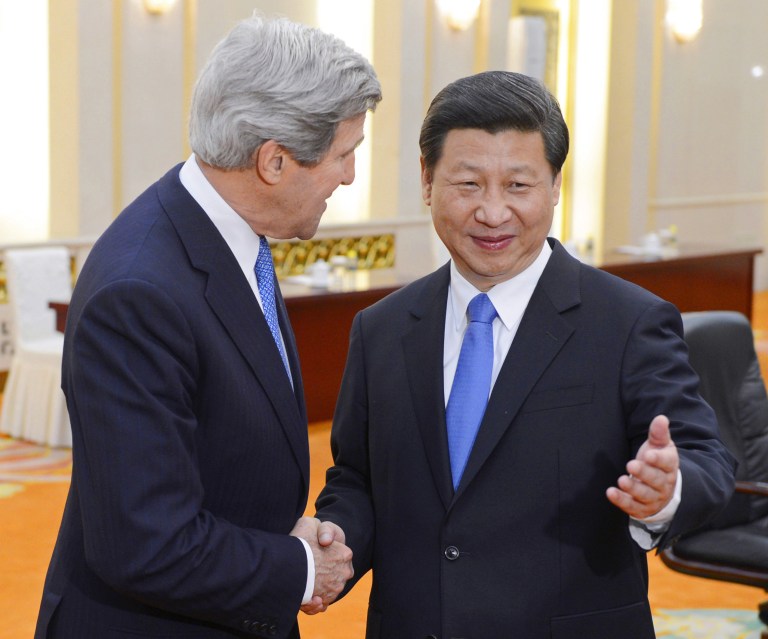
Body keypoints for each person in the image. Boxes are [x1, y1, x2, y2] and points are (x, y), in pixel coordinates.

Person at [313, 71, 735, 639]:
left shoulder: (628, 321)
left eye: (518, 186)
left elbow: (707, 458)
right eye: (468, 184)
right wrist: (335, 543)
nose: (492, 213)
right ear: (427, 181)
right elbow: (358, 477)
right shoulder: (381, 329)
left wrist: (666, 492)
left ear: (555, 185)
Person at [34, 13, 381, 639]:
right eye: (344, 154)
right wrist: (300, 568)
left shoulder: (222, 232)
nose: (350, 175)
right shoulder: (139, 294)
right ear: (274, 161)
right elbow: (147, 544)